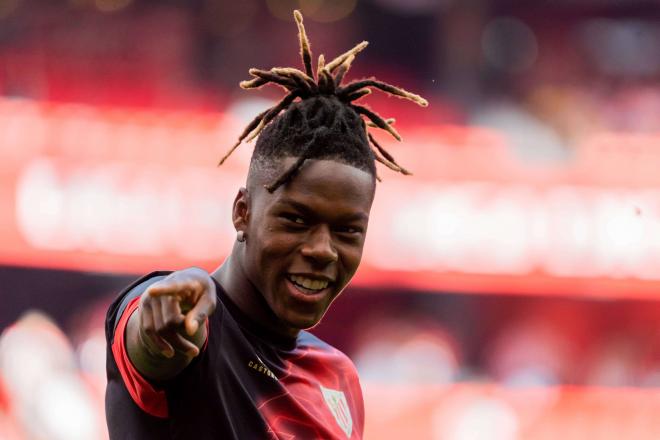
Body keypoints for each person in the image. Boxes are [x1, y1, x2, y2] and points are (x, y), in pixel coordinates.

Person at [105, 10, 427, 439]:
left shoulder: (339, 378)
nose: (322, 250)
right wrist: (159, 323)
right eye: (296, 220)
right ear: (243, 211)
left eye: (347, 231)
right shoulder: (193, 324)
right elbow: (151, 337)